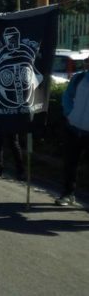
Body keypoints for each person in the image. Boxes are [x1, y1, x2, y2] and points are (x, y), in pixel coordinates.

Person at [55, 56, 89, 206]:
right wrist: (70, 114)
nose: (87, 64)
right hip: (73, 128)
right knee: (70, 164)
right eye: (87, 61)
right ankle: (68, 194)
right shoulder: (78, 78)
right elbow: (67, 97)